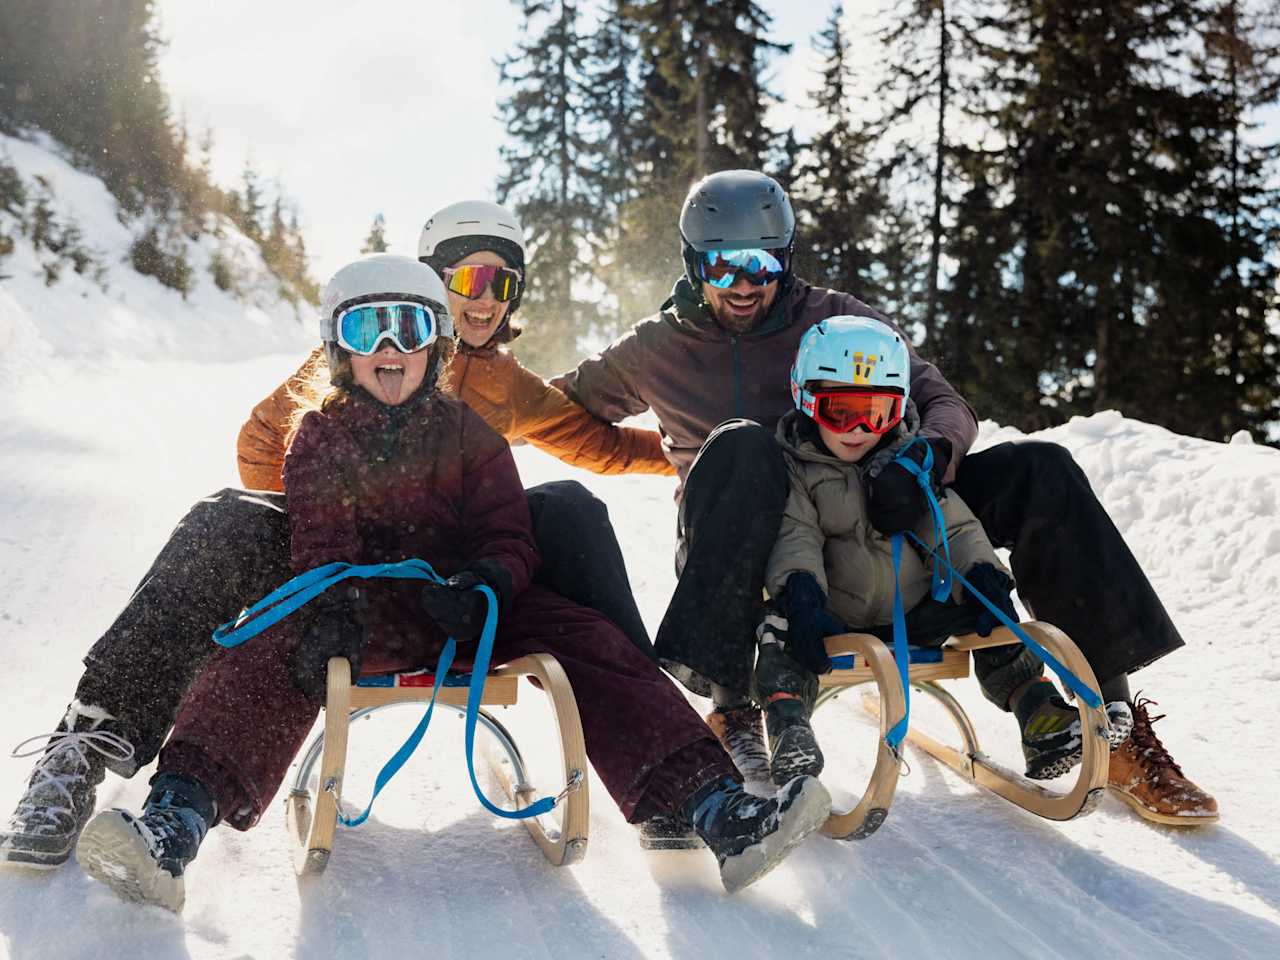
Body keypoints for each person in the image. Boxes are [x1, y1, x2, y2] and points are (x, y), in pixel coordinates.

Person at [71, 254, 831, 911]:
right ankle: (174, 824)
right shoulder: (320, 434)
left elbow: (508, 529)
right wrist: (334, 602)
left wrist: (487, 582)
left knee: (590, 639)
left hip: (470, 607)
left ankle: (719, 810)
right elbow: (319, 536)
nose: (393, 348)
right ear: (341, 348)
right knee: (262, 649)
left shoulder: (469, 432)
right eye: (371, 332)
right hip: (362, 608)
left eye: (412, 328)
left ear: (436, 343)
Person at [0, 201, 672, 870]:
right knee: (224, 521)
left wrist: (689, 456)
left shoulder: (511, 388)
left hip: (444, 558)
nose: (485, 299)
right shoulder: (355, 350)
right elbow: (264, 438)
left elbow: (598, 445)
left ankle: (661, 744)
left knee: (569, 507)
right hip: (330, 537)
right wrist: (319, 515)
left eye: (502, 283)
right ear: (430, 283)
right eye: (467, 280)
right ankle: (90, 740)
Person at [552, 169, 1218, 825]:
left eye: (763, 264)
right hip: (758, 543)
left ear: (786, 259)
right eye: (725, 267)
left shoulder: (836, 318)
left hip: (876, 510)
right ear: (697, 264)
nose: (747, 284)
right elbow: (555, 408)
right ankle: (735, 706)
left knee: (1041, 468)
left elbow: (941, 400)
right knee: (743, 445)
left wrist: (923, 460)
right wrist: (482, 377)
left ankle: (1116, 724)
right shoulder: (655, 348)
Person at [754, 315, 1132, 785]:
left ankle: (1040, 714)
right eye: (840, 411)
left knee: (991, 611)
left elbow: (951, 528)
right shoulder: (795, 469)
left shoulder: (908, 463)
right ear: (807, 401)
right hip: (835, 613)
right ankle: (790, 728)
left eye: (876, 413)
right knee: (781, 628)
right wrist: (801, 590)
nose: (857, 429)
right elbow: (795, 535)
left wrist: (982, 571)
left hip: (915, 609)